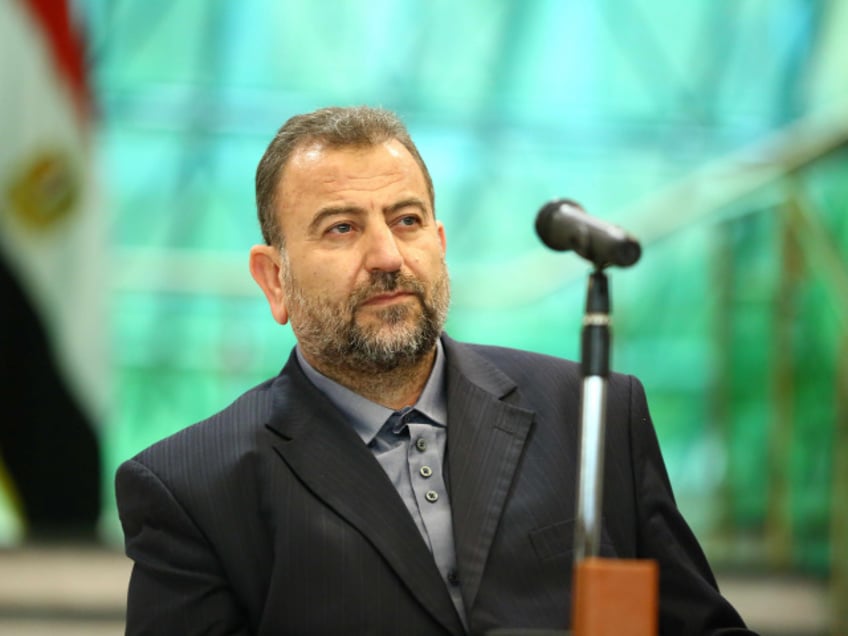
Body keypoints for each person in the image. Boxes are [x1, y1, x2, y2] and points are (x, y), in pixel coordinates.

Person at [115, 106, 755, 635]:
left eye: (407, 220)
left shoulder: (594, 413)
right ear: (274, 279)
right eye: (341, 228)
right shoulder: (191, 488)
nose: (388, 256)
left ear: (440, 244)